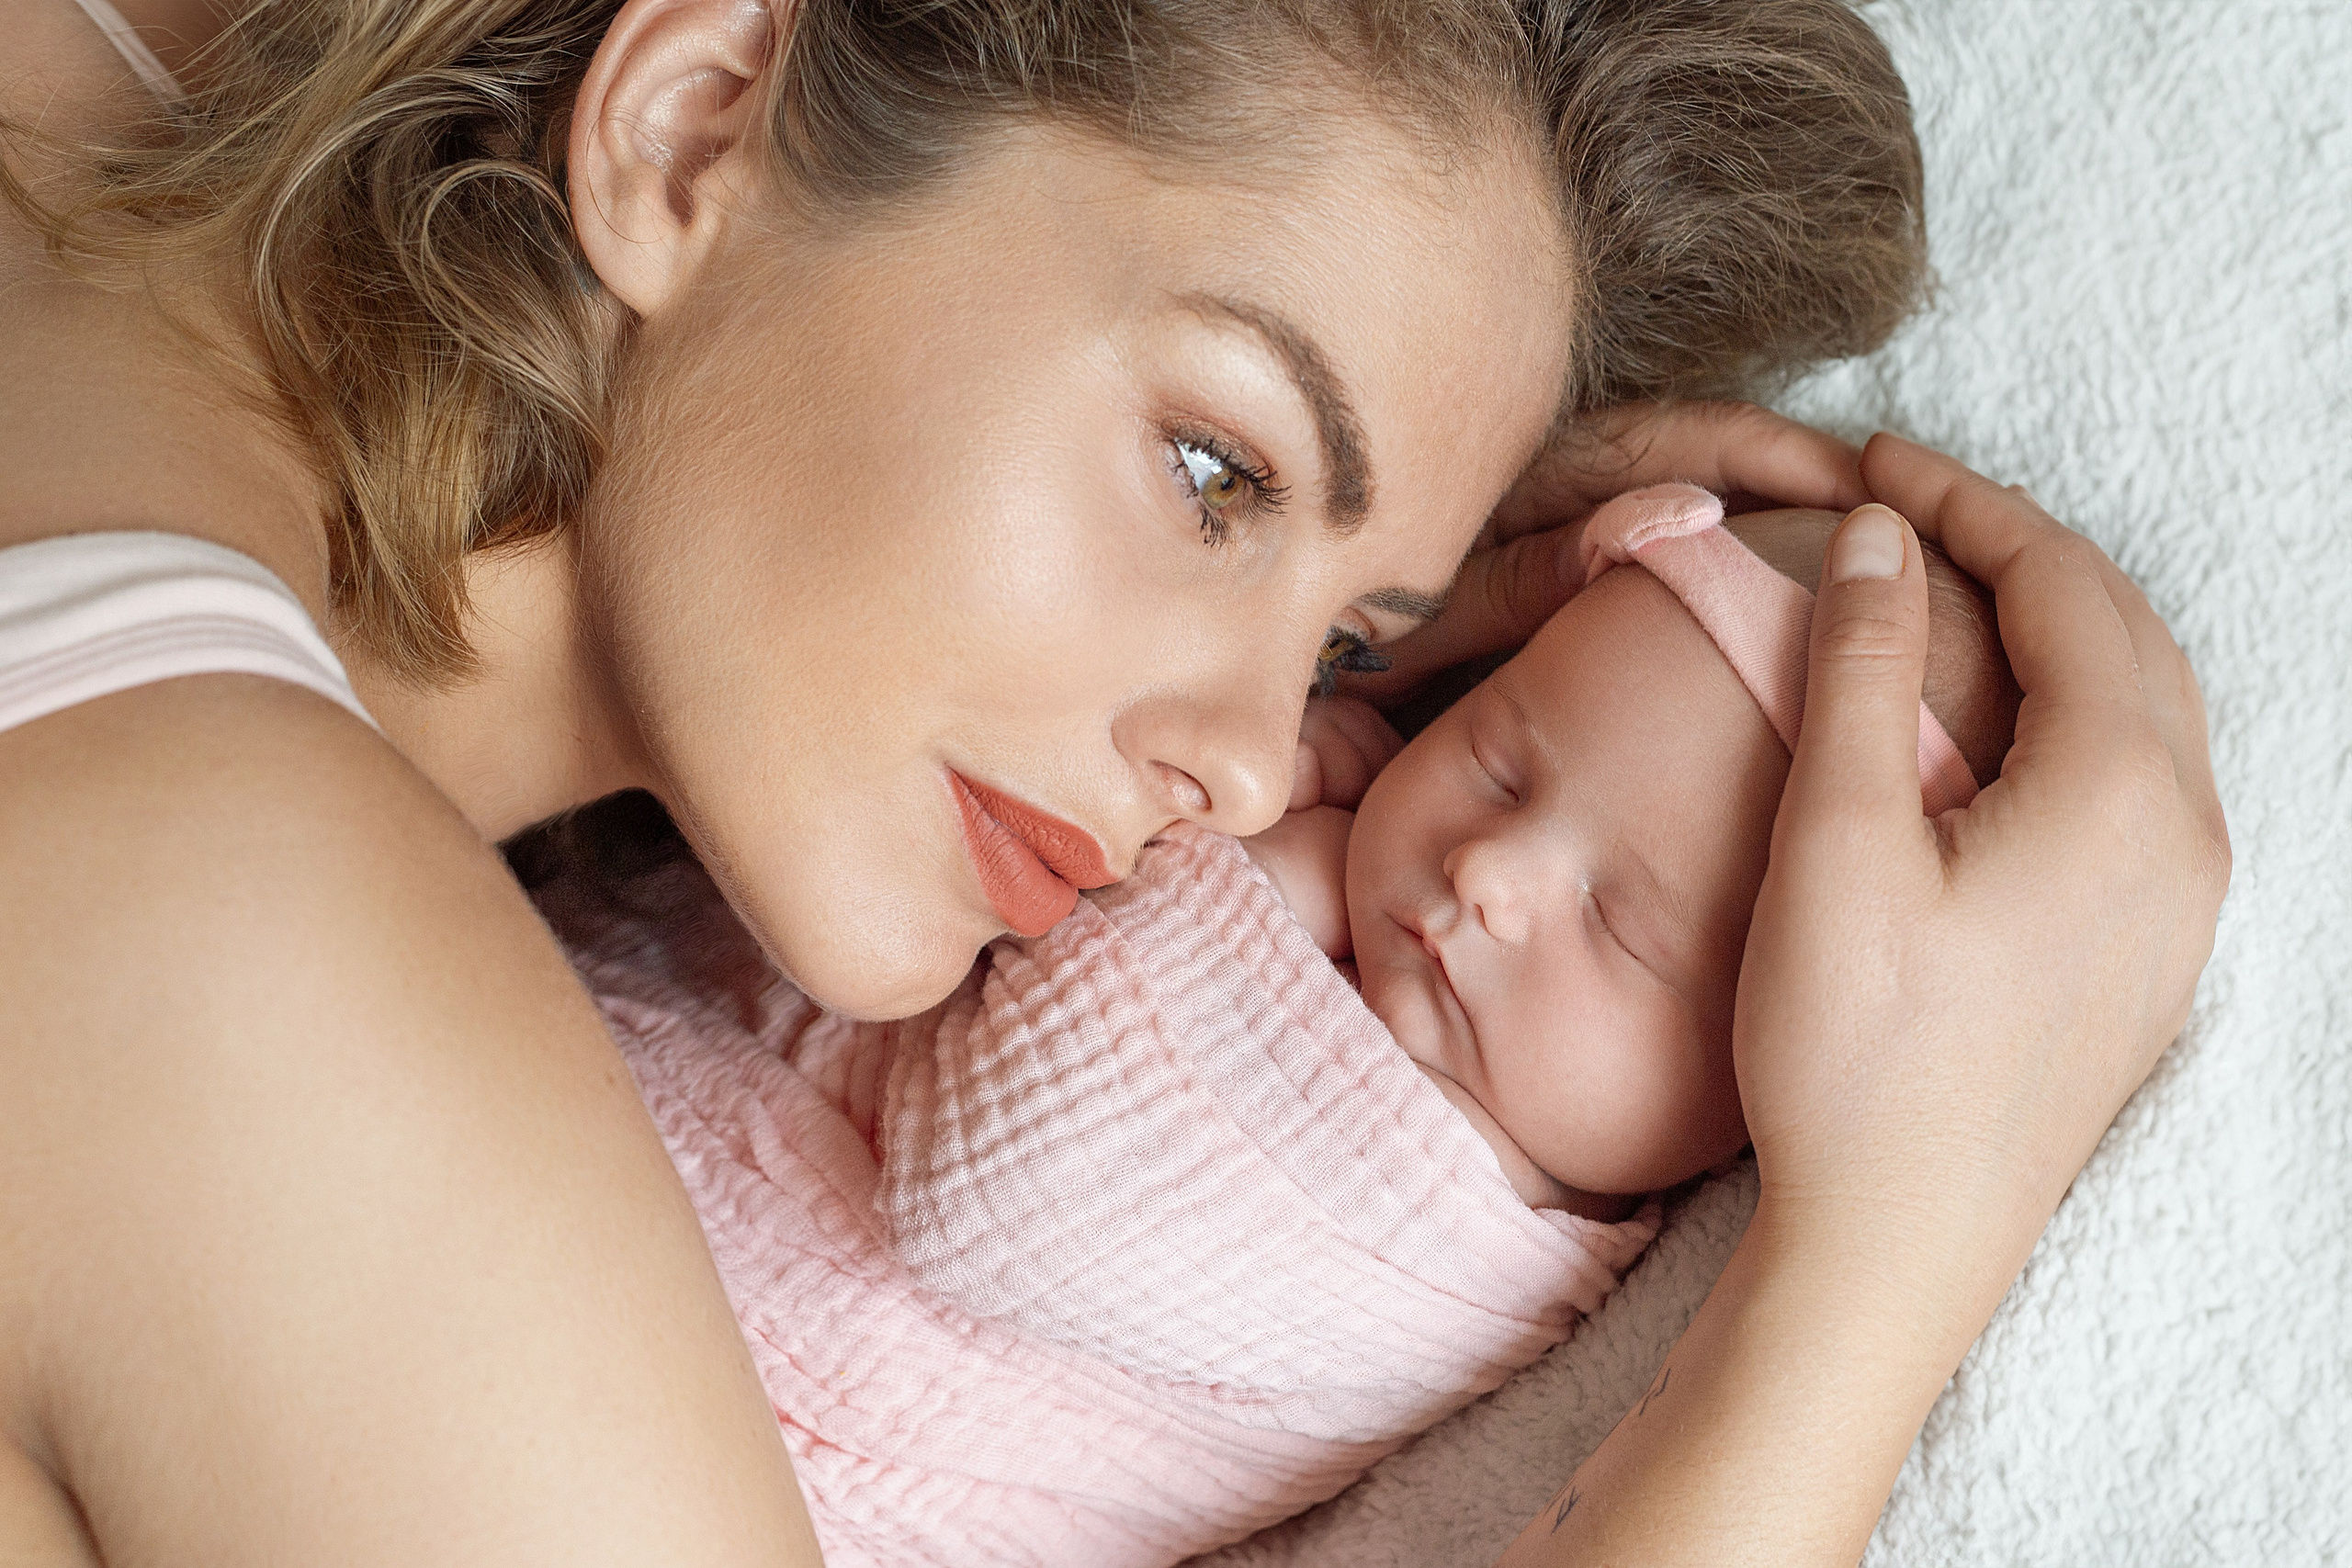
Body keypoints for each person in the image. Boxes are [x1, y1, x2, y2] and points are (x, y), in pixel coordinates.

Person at [0, 6, 2227, 1568]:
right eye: (1213, 465)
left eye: (1359, 641)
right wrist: (1907, 1227)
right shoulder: (291, 995)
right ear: (692, 123)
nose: (1264, 758)